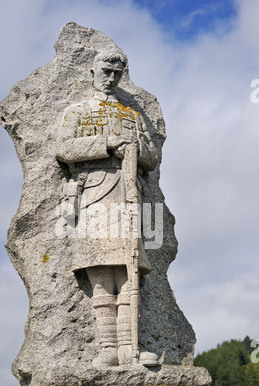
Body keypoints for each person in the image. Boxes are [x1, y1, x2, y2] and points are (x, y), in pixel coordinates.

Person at [55, 50, 159, 367]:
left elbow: (152, 157)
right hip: (94, 194)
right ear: (93, 71)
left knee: (129, 272)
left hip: (128, 196)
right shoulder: (78, 111)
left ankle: (129, 348)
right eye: (106, 71)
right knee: (101, 273)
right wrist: (107, 143)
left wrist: (135, 146)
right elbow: (63, 148)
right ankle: (107, 349)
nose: (111, 78)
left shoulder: (133, 116)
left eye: (117, 72)